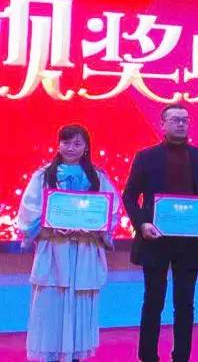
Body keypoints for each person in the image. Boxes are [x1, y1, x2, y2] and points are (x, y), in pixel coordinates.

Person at [18, 124, 120, 362]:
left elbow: (111, 210)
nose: (71, 148)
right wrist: (50, 226)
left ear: (86, 147)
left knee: (80, 301)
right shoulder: (43, 175)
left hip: (85, 248)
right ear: (58, 145)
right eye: (66, 142)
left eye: (77, 143)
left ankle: (75, 354)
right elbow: (29, 210)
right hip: (54, 248)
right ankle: (50, 355)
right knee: (50, 301)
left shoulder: (98, 177)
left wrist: (94, 227)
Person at [122, 104, 198, 362]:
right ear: (162, 124)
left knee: (185, 304)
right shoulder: (146, 157)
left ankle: (181, 356)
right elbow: (129, 196)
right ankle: (148, 356)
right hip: (155, 240)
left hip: (189, 243)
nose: (181, 124)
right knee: (153, 301)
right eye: (175, 120)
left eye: (185, 120)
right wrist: (142, 224)